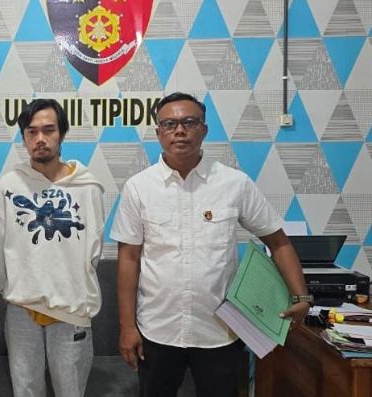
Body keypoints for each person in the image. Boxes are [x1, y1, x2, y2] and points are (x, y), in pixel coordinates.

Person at [111, 92, 311, 397]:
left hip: (220, 331)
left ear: (204, 129)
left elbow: (278, 241)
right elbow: (128, 259)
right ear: (159, 132)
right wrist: (127, 327)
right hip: (157, 329)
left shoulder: (234, 184)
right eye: (170, 124)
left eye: (189, 122)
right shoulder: (138, 188)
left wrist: (302, 295)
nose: (180, 131)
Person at [0, 99, 105, 397]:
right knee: (26, 391)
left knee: (71, 391)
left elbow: (94, 250)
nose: (40, 139)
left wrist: (71, 290)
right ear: (23, 137)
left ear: (62, 133)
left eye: (48, 130)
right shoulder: (9, 186)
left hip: (71, 309)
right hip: (22, 307)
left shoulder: (88, 187)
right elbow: (2, 247)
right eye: (32, 132)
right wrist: (13, 293)